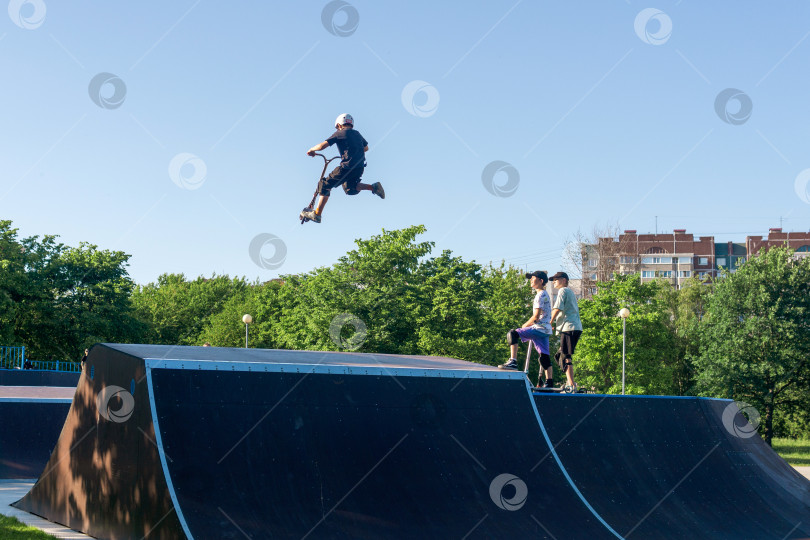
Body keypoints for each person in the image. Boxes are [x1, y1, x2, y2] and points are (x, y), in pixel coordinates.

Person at [300, 113, 385, 223]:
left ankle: (317, 214)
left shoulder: (339, 133)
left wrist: (312, 150)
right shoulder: (357, 134)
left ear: (339, 125)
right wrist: (354, 151)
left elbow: (322, 146)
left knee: (325, 185)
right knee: (350, 188)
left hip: (346, 167)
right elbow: (366, 148)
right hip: (359, 167)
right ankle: (373, 187)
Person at [500, 271, 555, 388]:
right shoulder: (545, 294)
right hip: (545, 330)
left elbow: (536, 316)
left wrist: (525, 325)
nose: (530, 280)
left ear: (541, 281)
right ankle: (549, 382)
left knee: (513, 333)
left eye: (533, 278)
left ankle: (513, 361)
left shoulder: (540, 295)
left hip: (539, 328)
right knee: (544, 356)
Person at [548, 271, 582, 393]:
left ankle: (572, 385)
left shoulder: (563, 291)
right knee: (559, 355)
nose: (554, 282)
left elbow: (557, 308)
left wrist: (549, 322)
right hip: (573, 327)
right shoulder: (570, 292)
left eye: (556, 279)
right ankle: (570, 382)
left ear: (563, 280)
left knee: (566, 356)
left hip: (569, 328)